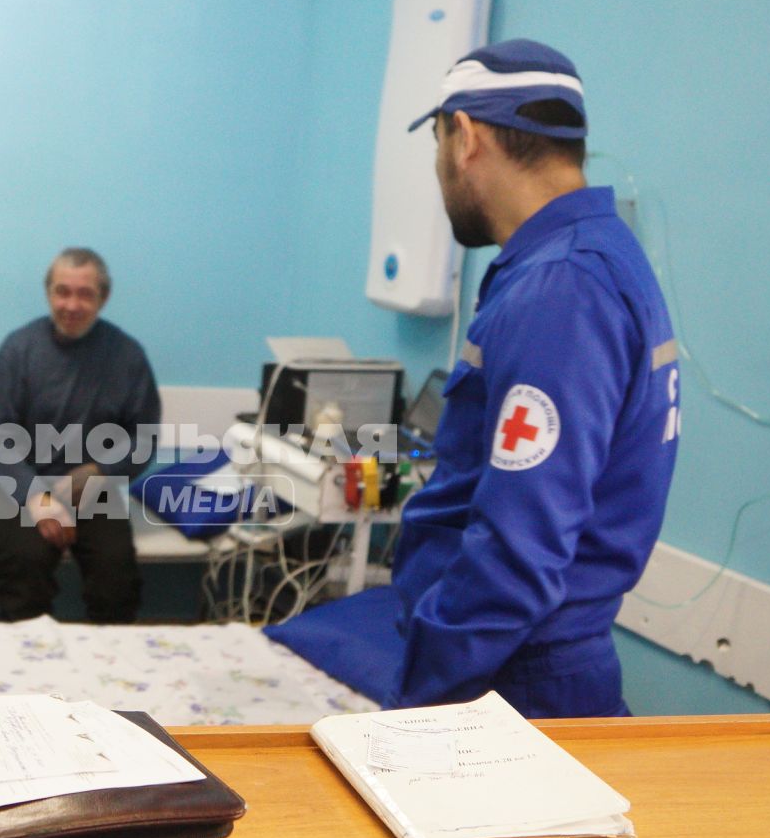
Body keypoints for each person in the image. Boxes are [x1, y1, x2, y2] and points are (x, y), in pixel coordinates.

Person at [282, 39, 679, 718]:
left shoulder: (560, 288)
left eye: (437, 143)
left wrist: (417, 697)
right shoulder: (595, 257)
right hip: (519, 658)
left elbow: (518, 550)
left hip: (511, 676)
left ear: (464, 137)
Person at [0, 247, 162, 623]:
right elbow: (0, 436)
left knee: (117, 580)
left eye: (85, 294)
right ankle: (27, 672)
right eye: (62, 291)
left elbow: (143, 437)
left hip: (96, 489)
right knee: (24, 572)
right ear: (49, 293)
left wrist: (99, 472)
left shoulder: (128, 356)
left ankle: (110, 672)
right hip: (24, 489)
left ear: (104, 298)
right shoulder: (19, 350)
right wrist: (37, 496)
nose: (72, 304)